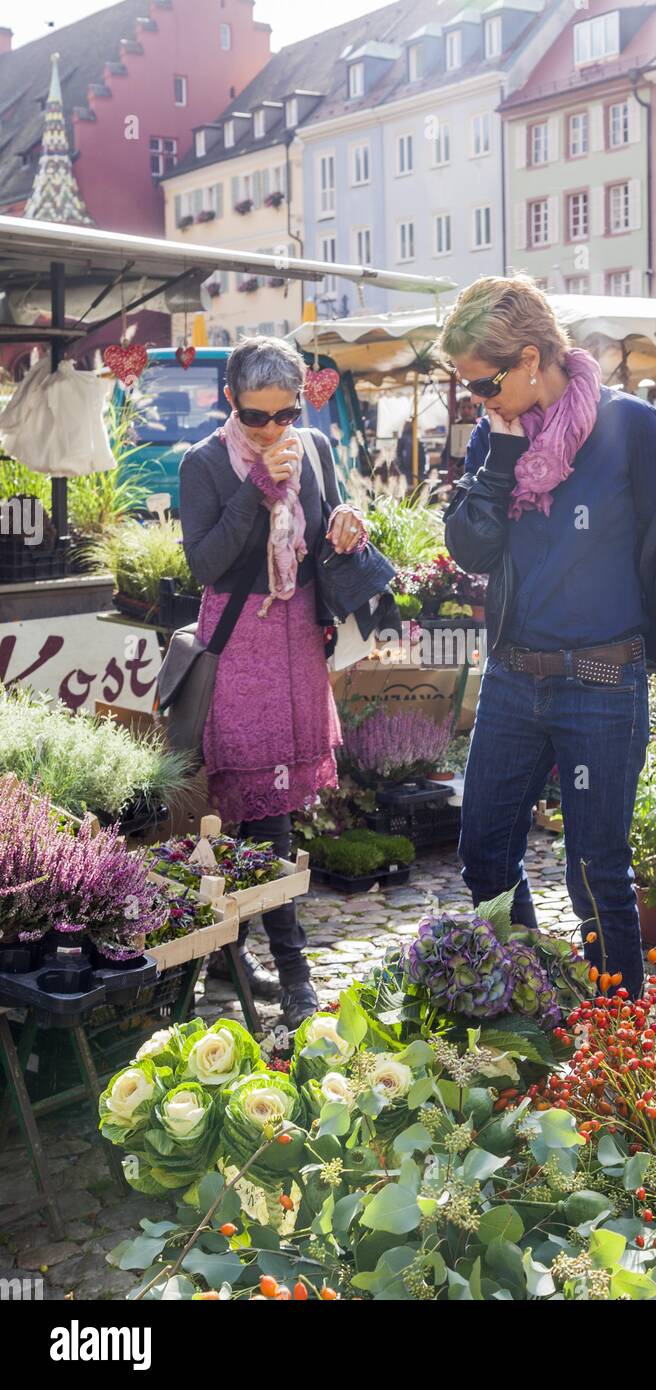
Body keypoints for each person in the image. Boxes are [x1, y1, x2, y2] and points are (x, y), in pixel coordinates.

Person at [439, 275, 656, 1000]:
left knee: (596, 870)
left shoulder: (628, 427)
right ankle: (533, 997)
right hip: (513, 678)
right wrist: (498, 461)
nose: (477, 399)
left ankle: (614, 1039)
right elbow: (470, 548)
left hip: (603, 681)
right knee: (484, 851)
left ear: (530, 358)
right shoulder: (492, 437)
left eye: (482, 383)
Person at [179, 336, 368, 1029]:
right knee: (257, 814)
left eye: (285, 414)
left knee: (264, 815)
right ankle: (291, 973)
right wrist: (258, 489)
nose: (271, 431)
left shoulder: (312, 450)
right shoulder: (202, 463)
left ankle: (230, 956)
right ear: (230, 401)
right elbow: (206, 564)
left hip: (295, 644)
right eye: (256, 416)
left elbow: (324, 533)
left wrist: (349, 525)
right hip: (239, 649)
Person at [446, 395, 479, 486]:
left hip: (474, 473)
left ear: (475, 410)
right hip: (455, 474)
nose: (466, 410)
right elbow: (447, 451)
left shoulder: (480, 427)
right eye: (463, 407)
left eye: (469, 407)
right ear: (459, 410)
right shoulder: (454, 427)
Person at [396, 419, 425, 488]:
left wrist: (401, 468)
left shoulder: (403, 439)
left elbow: (399, 455)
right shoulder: (416, 439)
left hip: (407, 472)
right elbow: (422, 458)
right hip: (416, 471)